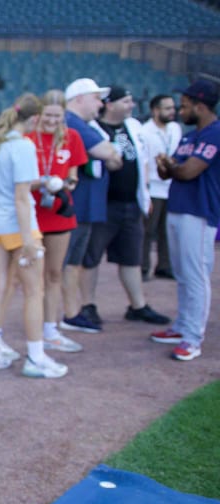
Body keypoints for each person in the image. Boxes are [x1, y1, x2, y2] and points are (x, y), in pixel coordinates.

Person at [0, 93, 67, 378]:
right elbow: (22, 197)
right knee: (34, 292)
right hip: (19, 227)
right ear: (35, 118)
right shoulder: (23, 146)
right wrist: (29, 241)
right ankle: (36, 358)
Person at [82, 86, 170, 328]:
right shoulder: (93, 129)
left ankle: (137, 305)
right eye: (126, 101)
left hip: (131, 203)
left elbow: (143, 161)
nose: (131, 105)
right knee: (90, 257)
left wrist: (146, 195)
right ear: (110, 104)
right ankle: (87, 305)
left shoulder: (134, 127)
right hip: (103, 205)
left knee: (132, 257)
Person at [151, 79, 220, 362]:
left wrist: (172, 167)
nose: (180, 111)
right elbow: (169, 172)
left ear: (201, 106)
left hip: (200, 212)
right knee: (181, 274)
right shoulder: (190, 137)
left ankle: (193, 338)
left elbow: (188, 172)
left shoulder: (215, 133)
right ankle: (181, 326)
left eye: (185, 106)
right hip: (179, 207)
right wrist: (166, 165)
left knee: (196, 276)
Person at [24, 89, 87, 353]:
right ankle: (28, 334)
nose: (51, 121)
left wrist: (65, 184)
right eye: (47, 115)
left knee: (53, 274)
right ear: (39, 114)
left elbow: (74, 175)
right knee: (27, 278)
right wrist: (42, 183)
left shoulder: (72, 137)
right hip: (30, 216)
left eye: (57, 116)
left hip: (60, 214)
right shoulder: (27, 138)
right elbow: (19, 181)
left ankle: (50, 330)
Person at [59, 78, 122, 334]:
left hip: (83, 207)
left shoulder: (85, 125)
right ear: (79, 99)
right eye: (96, 98)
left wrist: (112, 154)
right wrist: (111, 154)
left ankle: (72, 312)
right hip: (72, 206)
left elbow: (115, 157)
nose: (101, 104)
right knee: (61, 263)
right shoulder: (71, 122)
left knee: (72, 263)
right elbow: (108, 153)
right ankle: (57, 315)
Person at [141, 94, 182, 281]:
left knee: (167, 230)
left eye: (173, 108)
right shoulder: (145, 131)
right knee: (148, 230)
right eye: (167, 108)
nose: (172, 112)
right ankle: (143, 266)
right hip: (153, 187)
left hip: (172, 186)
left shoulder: (175, 128)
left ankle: (165, 266)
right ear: (155, 110)